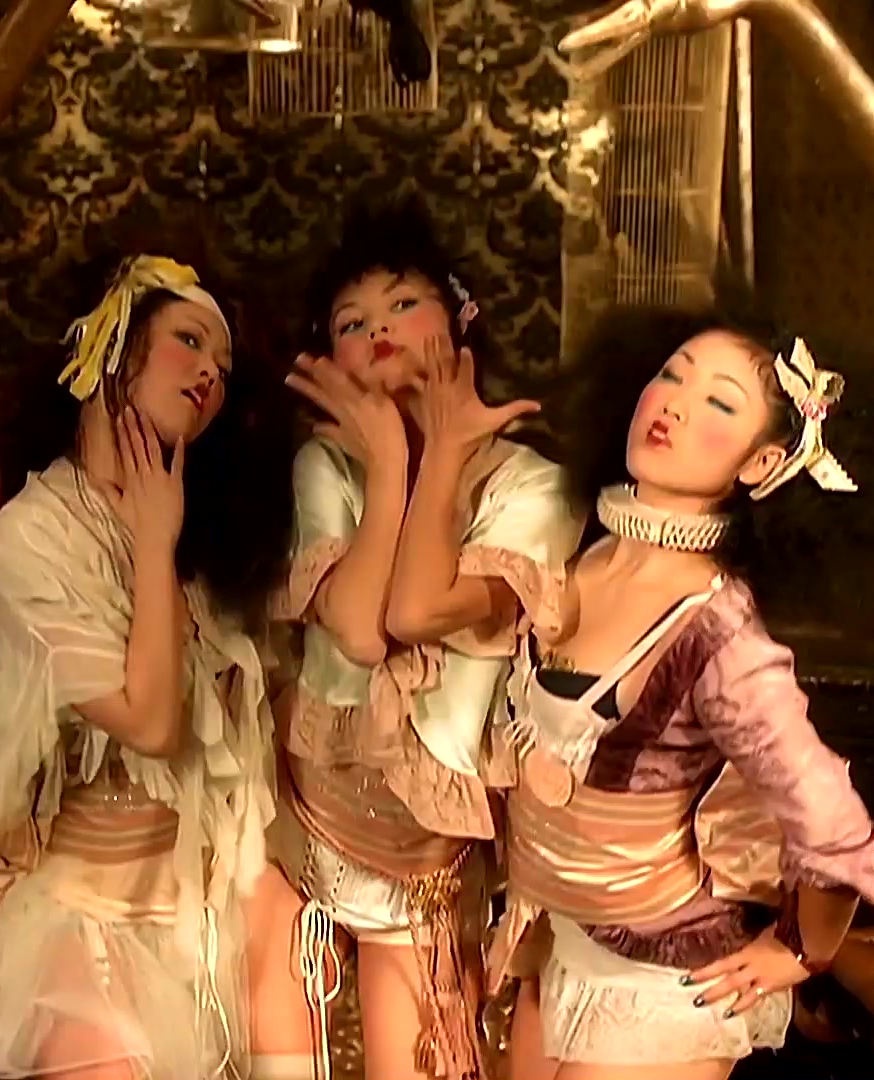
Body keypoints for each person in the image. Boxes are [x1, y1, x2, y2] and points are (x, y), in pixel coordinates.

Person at [490, 306, 874, 1080]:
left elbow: (833, 820)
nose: (673, 402)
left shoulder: (716, 627)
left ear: (761, 464)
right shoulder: (579, 553)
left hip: (662, 987)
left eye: (718, 402)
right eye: (671, 374)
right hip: (559, 951)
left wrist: (802, 950)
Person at [0, 252, 296, 1080]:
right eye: (189, 341)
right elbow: (151, 723)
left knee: (290, 947)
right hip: (79, 922)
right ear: (111, 343)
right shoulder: (33, 536)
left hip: (193, 913)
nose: (208, 373)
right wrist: (154, 543)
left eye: (223, 367)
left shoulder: (200, 544)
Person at [252, 198, 583, 1080]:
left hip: (425, 869)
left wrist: (434, 456)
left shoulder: (534, 486)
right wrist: (393, 465)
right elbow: (362, 633)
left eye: (404, 304)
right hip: (304, 827)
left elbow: (415, 612)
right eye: (351, 322)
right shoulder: (325, 465)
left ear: (460, 320)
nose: (380, 330)